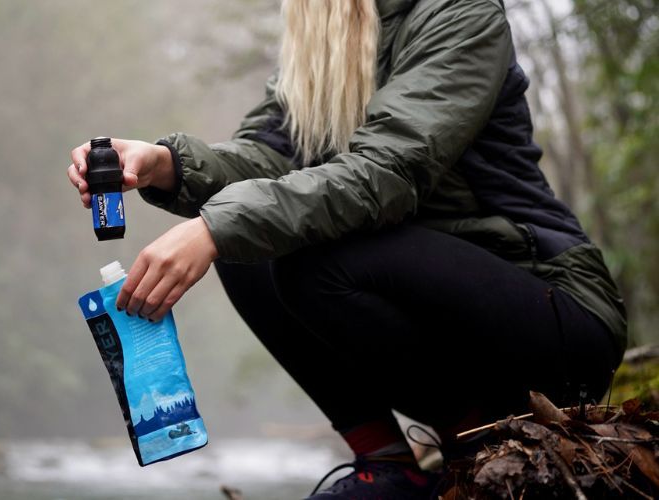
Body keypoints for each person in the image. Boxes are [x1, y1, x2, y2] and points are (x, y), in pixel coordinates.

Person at [66, 0, 626, 497]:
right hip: (445, 316)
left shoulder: (459, 15)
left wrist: (212, 230)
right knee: (250, 249)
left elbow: (385, 172)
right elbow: (264, 158)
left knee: (295, 249)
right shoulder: (325, 41)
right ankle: (386, 466)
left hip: (552, 310)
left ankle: (469, 445)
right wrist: (165, 165)